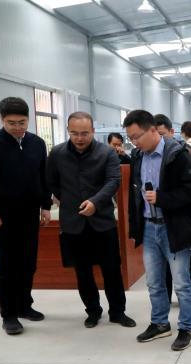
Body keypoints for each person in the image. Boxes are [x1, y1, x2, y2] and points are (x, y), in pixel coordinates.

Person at [46, 112, 136, 329]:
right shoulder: (57, 153)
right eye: (74, 133)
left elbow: (113, 180)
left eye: (85, 133)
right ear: (68, 131)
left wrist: (95, 202)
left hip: (102, 221)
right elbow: (51, 182)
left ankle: (118, 312)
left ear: (93, 131)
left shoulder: (107, 152)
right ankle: (93, 311)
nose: (79, 138)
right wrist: (68, 200)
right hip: (73, 223)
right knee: (82, 271)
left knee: (111, 269)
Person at [124, 110, 191, 351]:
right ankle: (159, 323)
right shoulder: (138, 156)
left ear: (152, 130)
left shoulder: (178, 155)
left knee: (181, 283)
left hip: (174, 228)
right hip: (149, 227)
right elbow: (135, 194)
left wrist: (162, 198)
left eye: (137, 136)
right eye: (130, 138)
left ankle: (186, 327)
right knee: (154, 282)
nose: (134, 142)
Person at [0, 97, 52, 335]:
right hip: (3, 216)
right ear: (2, 120)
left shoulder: (37, 143)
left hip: (30, 214)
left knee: (28, 263)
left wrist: (45, 205)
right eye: (11, 123)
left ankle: (24, 305)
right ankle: (8, 314)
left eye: (22, 122)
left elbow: (43, 176)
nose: (17, 127)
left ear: (28, 119)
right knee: (7, 266)